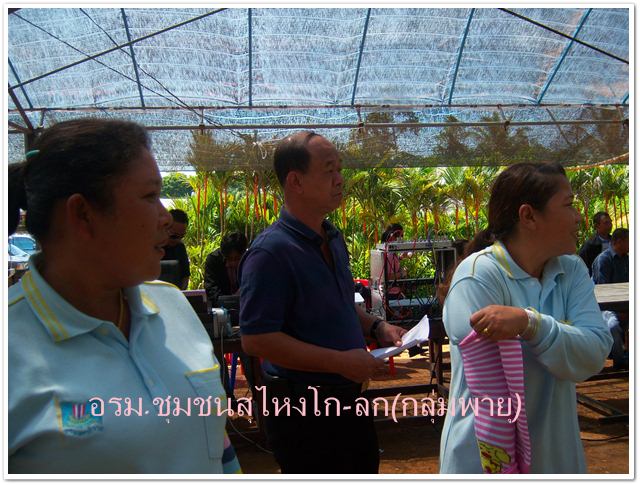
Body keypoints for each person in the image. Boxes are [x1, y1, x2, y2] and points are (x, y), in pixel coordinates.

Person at [8, 119, 240, 474]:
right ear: (82, 213)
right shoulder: (12, 347)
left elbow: (215, 443)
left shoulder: (173, 307)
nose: (166, 217)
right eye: (149, 196)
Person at [238, 131, 406, 474]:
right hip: (304, 409)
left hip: (350, 399)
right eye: (329, 170)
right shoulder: (271, 252)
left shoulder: (332, 237)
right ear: (296, 181)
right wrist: (339, 362)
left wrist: (377, 326)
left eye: (339, 169)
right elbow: (256, 339)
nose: (340, 179)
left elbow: (341, 302)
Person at [439, 162, 612, 474]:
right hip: (486, 463)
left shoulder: (571, 269)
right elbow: (494, 389)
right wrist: (560, 334)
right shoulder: (478, 276)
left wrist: (530, 324)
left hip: (556, 459)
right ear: (529, 216)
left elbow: (594, 353)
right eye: (569, 205)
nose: (578, 217)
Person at [592, 227, 629, 370]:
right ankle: (620, 362)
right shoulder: (603, 260)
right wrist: (620, 311)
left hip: (625, 306)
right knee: (613, 326)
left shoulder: (627, 259)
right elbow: (603, 291)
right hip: (605, 307)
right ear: (618, 242)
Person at [204, 231, 248, 306]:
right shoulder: (213, 260)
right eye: (229, 259)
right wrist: (227, 302)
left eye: (237, 259)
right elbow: (211, 289)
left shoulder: (250, 260)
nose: (232, 263)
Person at [160, 208, 190, 289]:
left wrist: (180, 292)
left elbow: (185, 276)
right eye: (174, 236)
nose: (177, 240)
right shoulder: (151, 247)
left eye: (182, 236)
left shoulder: (180, 247)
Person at [578, 211, 612, 276]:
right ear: (597, 226)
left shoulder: (614, 241)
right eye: (606, 223)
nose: (610, 225)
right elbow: (582, 265)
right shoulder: (590, 245)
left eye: (610, 222)